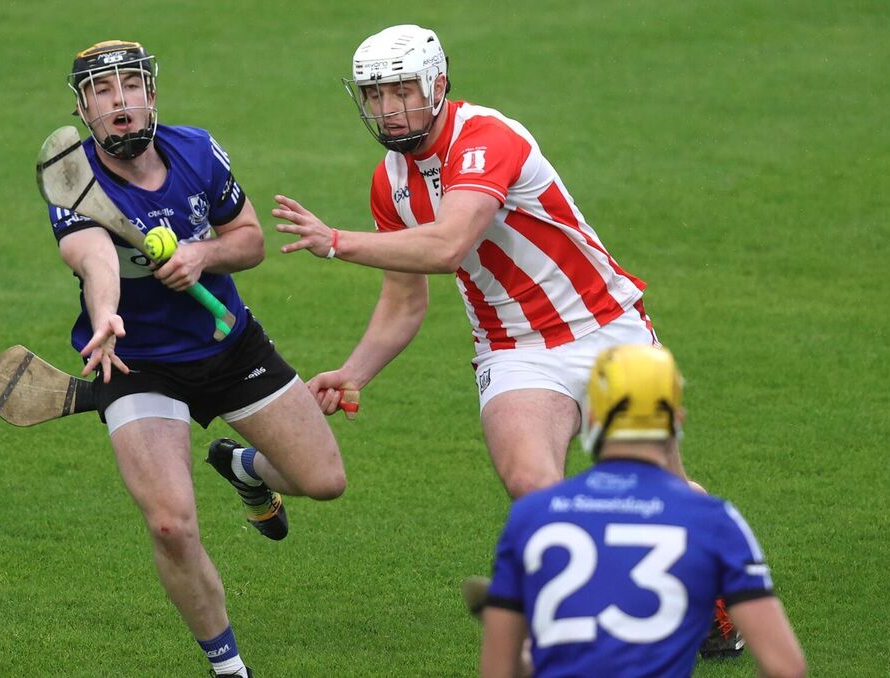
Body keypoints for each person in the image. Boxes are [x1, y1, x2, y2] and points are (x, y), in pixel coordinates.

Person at [273, 23, 674, 500]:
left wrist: (336, 241)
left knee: (663, 496)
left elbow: (447, 247)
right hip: (514, 351)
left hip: (608, 327)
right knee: (532, 488)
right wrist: (354, 372)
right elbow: (404, 301)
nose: (388, 111)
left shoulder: (486, 138)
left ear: (437, 85)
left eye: (402, 93)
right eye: (375, 96)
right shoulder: (390, 181)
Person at [48, 40, 347, 678]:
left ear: (151, 94)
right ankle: (228, 666)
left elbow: (250, 241)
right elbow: (94, 255)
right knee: (171, 526)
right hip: (137, 364)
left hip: (228, 345)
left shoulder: (196, 150)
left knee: (325, 481)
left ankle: (243, 468)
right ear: (83, 107)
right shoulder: (73, 177)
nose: (119, 102)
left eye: (130, 86)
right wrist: (105, 314)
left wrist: (200, 255)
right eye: (102, 92)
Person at [478, 345, 806, 678]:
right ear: (677, 418)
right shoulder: (714, 521)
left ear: (592, 417)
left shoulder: (532, 516)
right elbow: (786, 668)